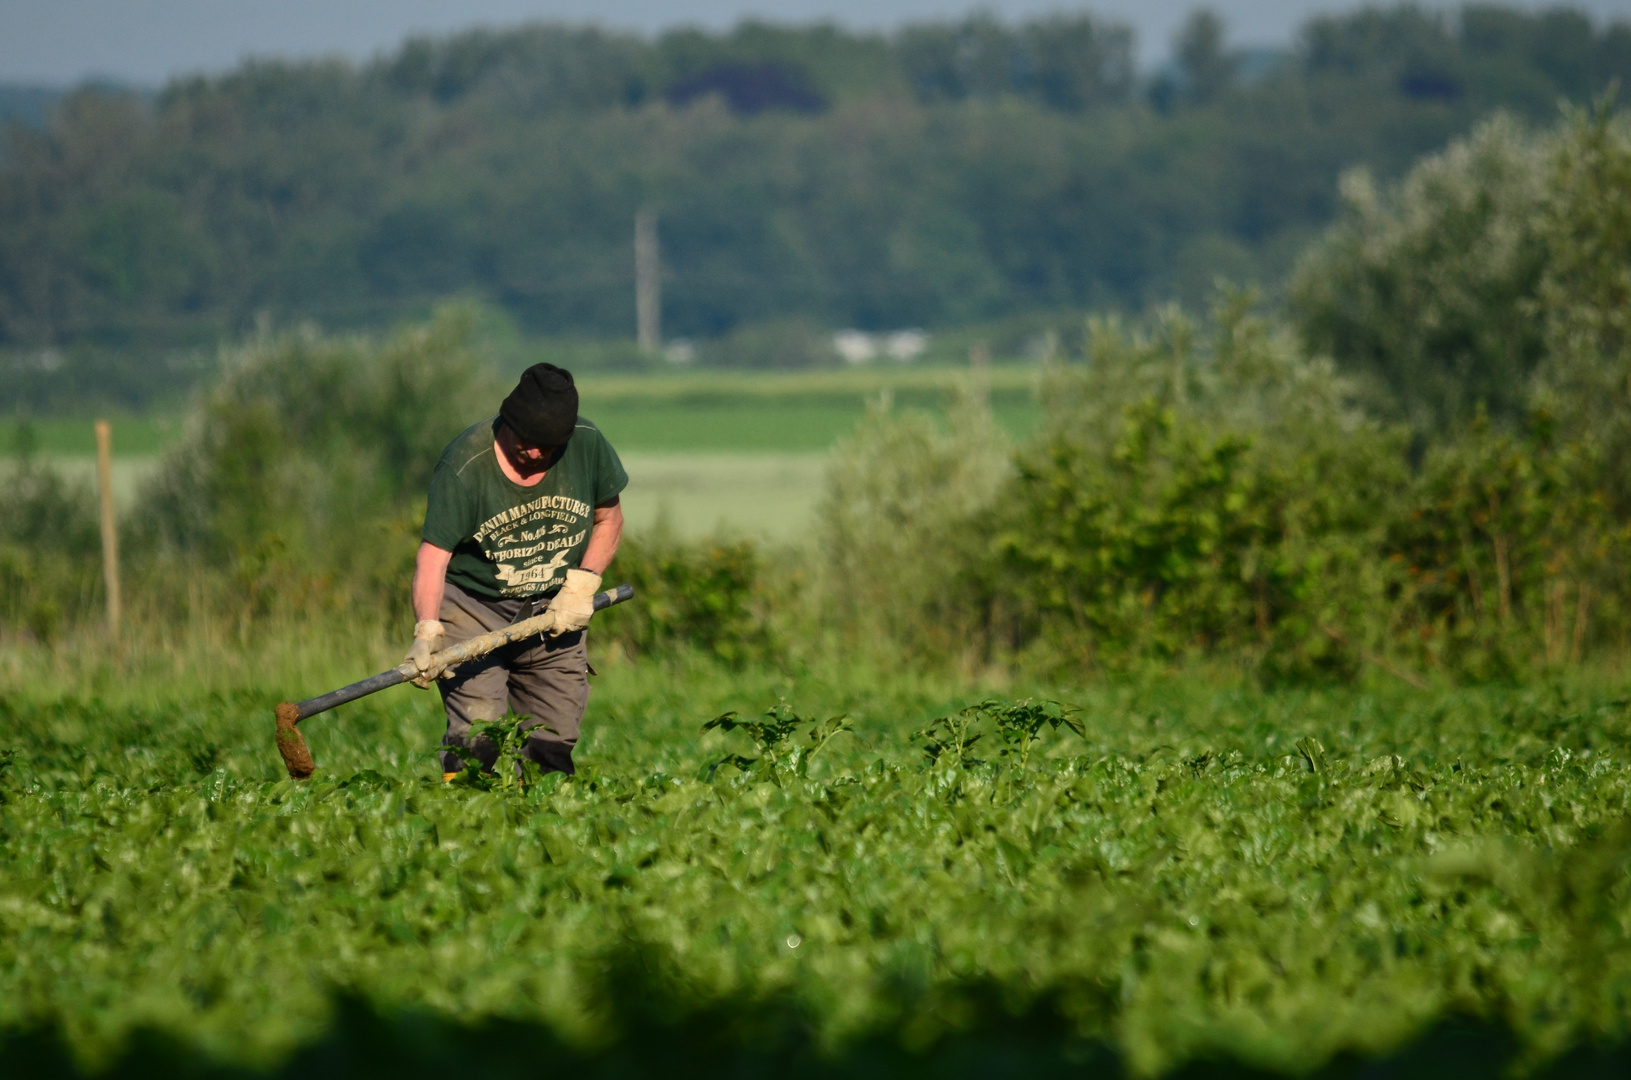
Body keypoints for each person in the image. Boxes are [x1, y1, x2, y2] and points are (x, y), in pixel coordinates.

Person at [405, 362, 626, 779]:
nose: (538, 452)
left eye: (550, 444)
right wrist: (427, 630)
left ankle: (542, 826)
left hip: (553, 609)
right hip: (473, 610)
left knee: (553, 738)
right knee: (478, 733)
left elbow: (609, 520)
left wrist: (581, 586)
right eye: (529, 440)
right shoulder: (465, 465)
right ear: (508, 420)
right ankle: (466, 825)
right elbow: (434, 556)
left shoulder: (587, 444)